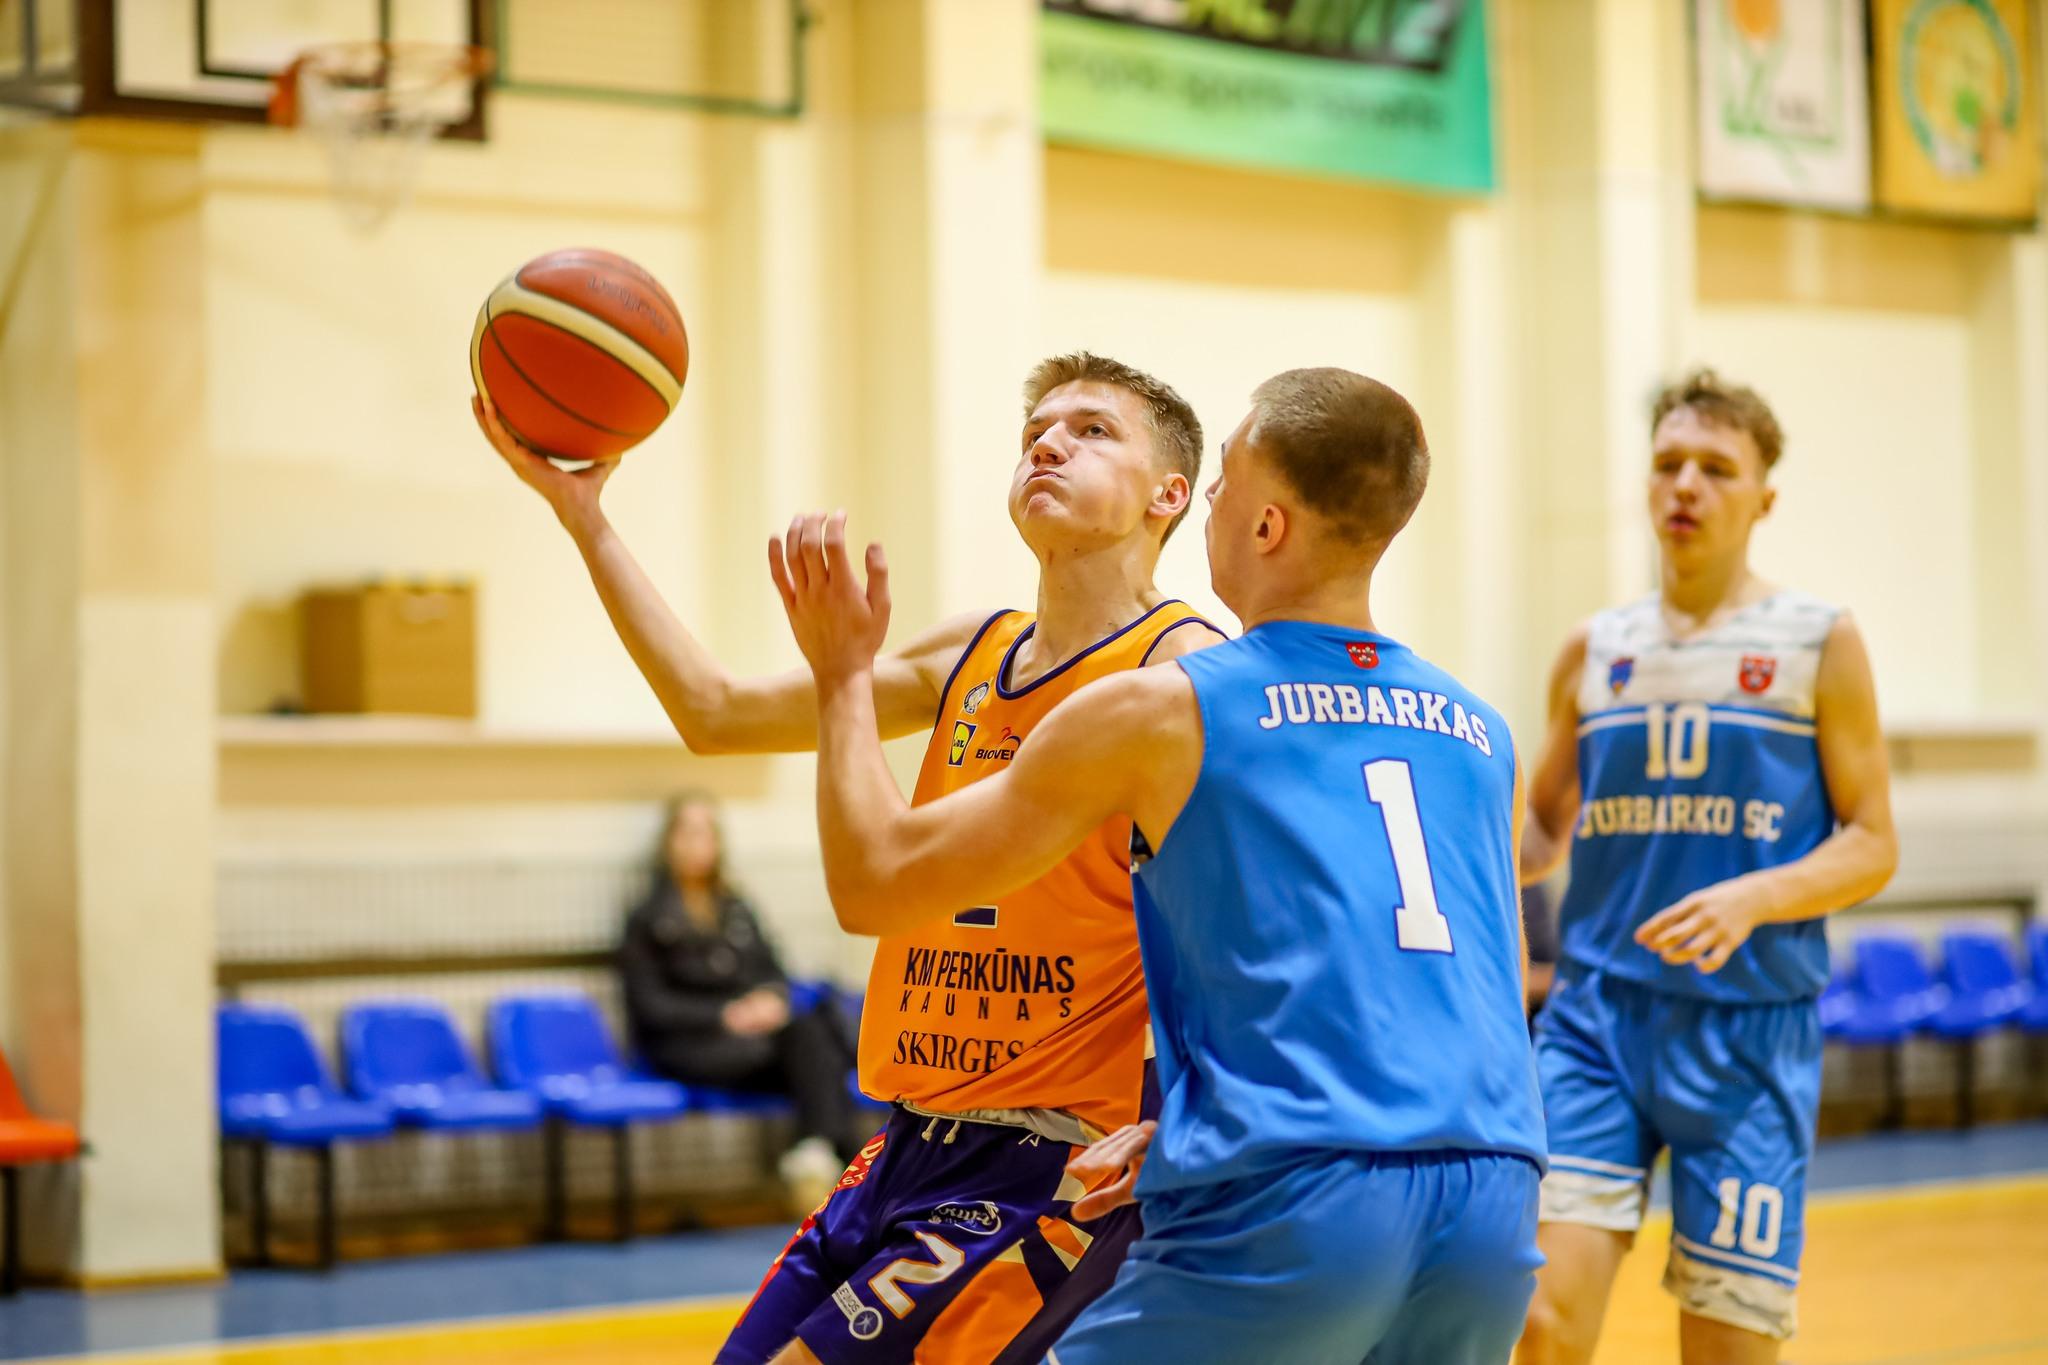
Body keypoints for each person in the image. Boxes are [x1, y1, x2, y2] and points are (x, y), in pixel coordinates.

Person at [769, 368, 1547, 1365]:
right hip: (1491, 1198)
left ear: (1264, 525)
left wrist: (841, 674)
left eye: (1220, 483)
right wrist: (1189, 1117)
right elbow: (1450, 984)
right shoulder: (1477, 729)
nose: (1208, 503)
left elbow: (873, 881)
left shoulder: (1170, 699)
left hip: (1296, 1192)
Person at [475, 351, 1226, 1365]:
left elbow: (1254, 926)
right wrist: (586, 519)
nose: (1048, 443)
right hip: (908, 1138)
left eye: (1091, 429)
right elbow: (714, 712)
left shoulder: (1184, 671)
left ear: (1169, 493)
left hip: (1051, 1164)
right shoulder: (973, 651)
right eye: (1035, 431)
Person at [1513, 371, 1898, 1364]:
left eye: (1716, 468)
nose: (1685, 484)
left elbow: (1872, 841)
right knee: (1540, 1322)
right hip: (1596, 1021)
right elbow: (1540, 830)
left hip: (1745, 1031)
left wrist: (1753, 897)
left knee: (1725, 1348)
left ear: (1763, 497)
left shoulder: (1818, 639)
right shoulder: (1593, 648)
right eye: (1668, 464)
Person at [620, 792, 864, 1209]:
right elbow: (650, 1007)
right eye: (688, 832)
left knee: (813, 1037)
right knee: (818, 1052)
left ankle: (819, 1157)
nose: (697, 843)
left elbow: (775, 973)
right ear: (668, 842)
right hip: (688, 1045)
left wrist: (767, 1002)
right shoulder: (647, 918)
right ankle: (843, 1168)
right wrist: (725, 1014)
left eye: (707, 832)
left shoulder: (736, 908)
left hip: (756, 1043)